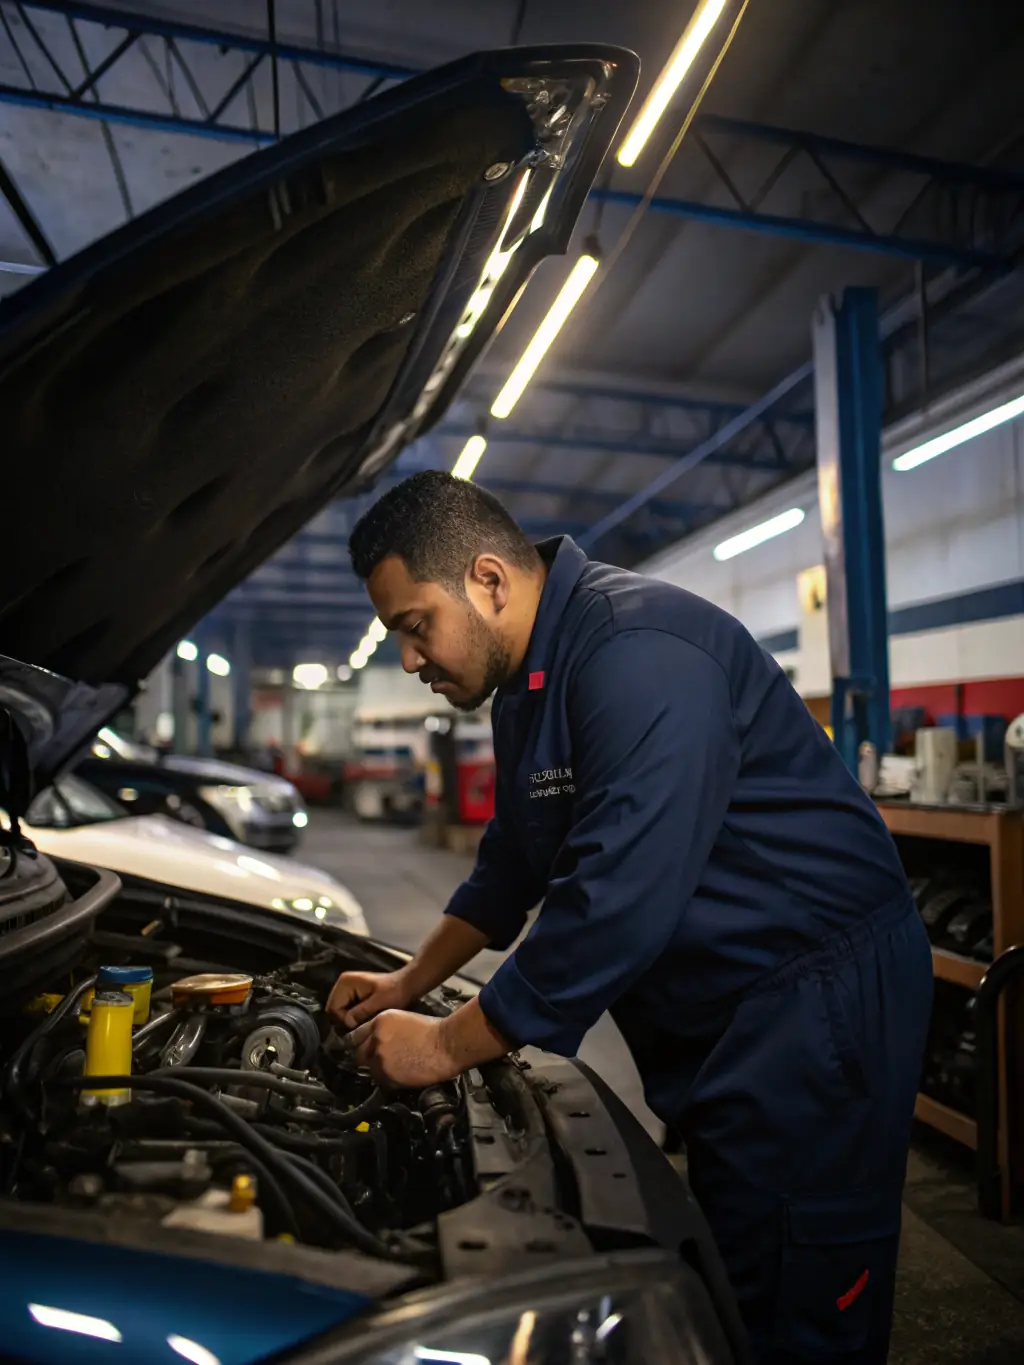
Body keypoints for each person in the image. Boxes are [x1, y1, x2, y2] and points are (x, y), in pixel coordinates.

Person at [327, 470, 933, 1365]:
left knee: (802, 1287)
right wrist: (408, 980)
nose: (409, 660)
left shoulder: (634, 651)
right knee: (739, 1258)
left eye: (415, 626)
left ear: (488, 580)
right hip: (729, 1000)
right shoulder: (532, 679)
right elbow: (513, 863)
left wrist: (446, 1044)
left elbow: (615, 897)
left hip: (811, 997)